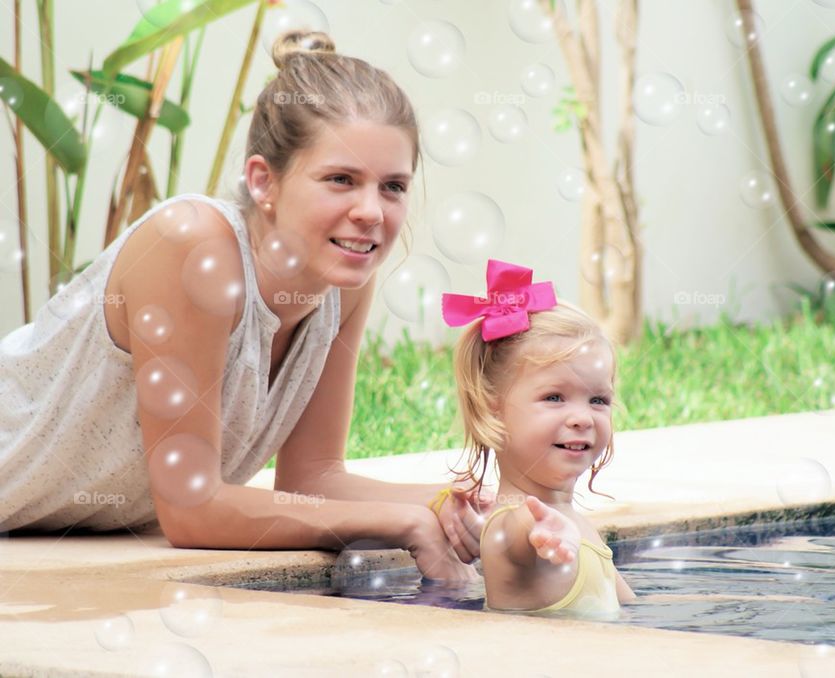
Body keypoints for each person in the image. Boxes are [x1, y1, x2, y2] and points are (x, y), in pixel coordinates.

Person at [0, 31, 485, 581]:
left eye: (393, 187)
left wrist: (449, 501)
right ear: (263, 182)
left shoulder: (343, 280)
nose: (371, 211)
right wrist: (401, 523)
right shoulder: (194, 246)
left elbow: (314, 481)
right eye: (340, 180)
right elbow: (191, 508)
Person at [442, 259, 637, 615]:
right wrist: (540, 530)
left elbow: (637, 611)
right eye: (554, 398)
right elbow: (522, 531)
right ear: (492, 408)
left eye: (598, 400)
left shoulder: (575, 522)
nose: (582, 418)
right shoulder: (510, 524)